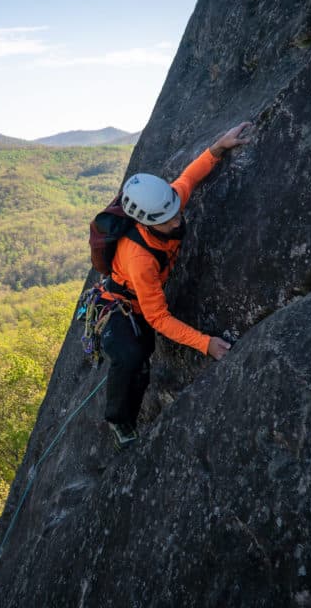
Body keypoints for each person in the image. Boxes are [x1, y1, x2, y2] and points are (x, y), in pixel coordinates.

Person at [101, 122, 252, 447]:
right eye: (167, 219)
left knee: (142, 353)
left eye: (175, 212)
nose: (177, 220)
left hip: (144, 299)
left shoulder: (165, 204)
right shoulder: (139, 258)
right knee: (132, 358)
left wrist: (219, 146)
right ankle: (117, 418)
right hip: (124, 305)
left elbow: (188, 178)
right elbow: (157, 318)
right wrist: (204, 343)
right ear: (145, 222)